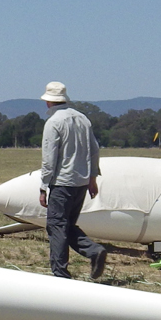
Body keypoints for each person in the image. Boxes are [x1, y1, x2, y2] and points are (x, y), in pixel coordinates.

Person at [38, 83, 107, 280]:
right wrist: (92, 178)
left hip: (62, 182)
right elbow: (94, 150)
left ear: (49, 101)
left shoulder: (53, 123)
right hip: (81, 182)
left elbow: (49, 159)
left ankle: (61, 272)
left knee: (56, 225)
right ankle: (93, 251)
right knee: (67, 225)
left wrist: (44, 187)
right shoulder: (82, 118)